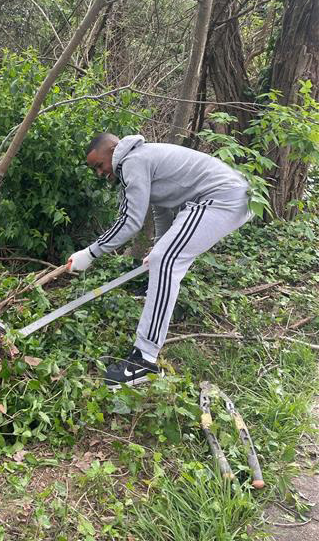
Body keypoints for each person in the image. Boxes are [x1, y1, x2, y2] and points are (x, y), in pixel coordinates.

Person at [67, 134, 251, 388]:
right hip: (227, 197)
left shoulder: (133, 160)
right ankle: (149, 343)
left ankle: (143, 362)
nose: (100, 173)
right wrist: (158, 247)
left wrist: (89, 254)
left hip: (222, 197)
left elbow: (130, 221)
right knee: (163, 257)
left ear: (112, 149)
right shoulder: (142, 159)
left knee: (166, 260)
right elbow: (161, 209)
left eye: (99, 165)